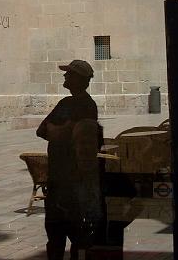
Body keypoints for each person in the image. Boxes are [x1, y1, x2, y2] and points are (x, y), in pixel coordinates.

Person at [36, 60, 101, 260]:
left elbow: (73, 135)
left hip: (74, 181)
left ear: (79, 79)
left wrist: (59, 130)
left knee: (77, 235)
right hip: (58, 179)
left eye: (69, 74)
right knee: (55, 235)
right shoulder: (66, 103)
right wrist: (63, 130)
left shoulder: (86, 106)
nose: (65, 77)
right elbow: (42, 130)